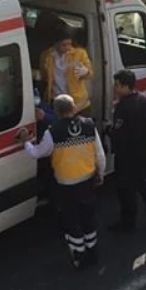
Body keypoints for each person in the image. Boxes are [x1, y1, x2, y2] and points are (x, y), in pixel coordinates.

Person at [18, 95, 105, 269]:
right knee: (88, 218)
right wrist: (100, 173)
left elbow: (37, 153)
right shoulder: (89, 125)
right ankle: (93, 253)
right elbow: (100, 154)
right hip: (87, 180)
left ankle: (79, 256)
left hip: (66, 185)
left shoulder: (53, 132)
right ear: (73, 108)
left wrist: (25, 142)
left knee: (72, 221)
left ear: (56, 112)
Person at [108, 69, 146, 232]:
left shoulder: (123, 107)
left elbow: (119, 134)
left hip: (126, 154)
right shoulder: (144, 99)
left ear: (125, 86)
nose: (115, 89)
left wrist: (107, 130)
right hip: (141, 149)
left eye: (117, 85)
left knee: (125, 189)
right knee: (141, 183)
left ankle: (128, 221)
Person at [39, 25, 92, 114]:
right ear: (56, 43)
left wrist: (85, 72)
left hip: (77, 102)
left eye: (69, 44)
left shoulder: (79, 53)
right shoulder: (47, 56)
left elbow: (89, 73)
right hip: (57, 99)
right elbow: (44, 76)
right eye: (63, 45)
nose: (67, 47)